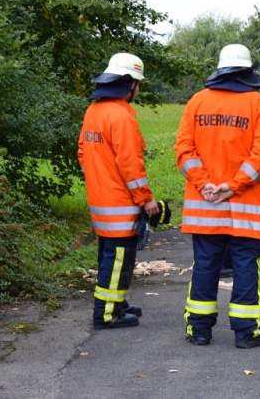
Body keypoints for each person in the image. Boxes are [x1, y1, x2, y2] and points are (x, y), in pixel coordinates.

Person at [176, 44, 260, 348]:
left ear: (220, 69)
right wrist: (233, 186)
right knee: (246, 264)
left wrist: (204, 183)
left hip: (204, 205)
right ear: (247, 71)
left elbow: (184, 151)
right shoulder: (258, 103)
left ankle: (199, 330)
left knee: (205, 264)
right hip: (245, 207)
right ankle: (246, 333)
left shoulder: (197, 101)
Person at [78, 52, 160, 330]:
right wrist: (146, 199)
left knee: (109, 256)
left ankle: (117, 304)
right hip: (120, 203)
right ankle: (106, 314)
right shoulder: (122, 116)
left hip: (100, 200)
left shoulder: (93, 111)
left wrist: (99, 177)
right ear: (130, 84)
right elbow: (131, 165)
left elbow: (82, 153)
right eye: (138, 84)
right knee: (118, 261)